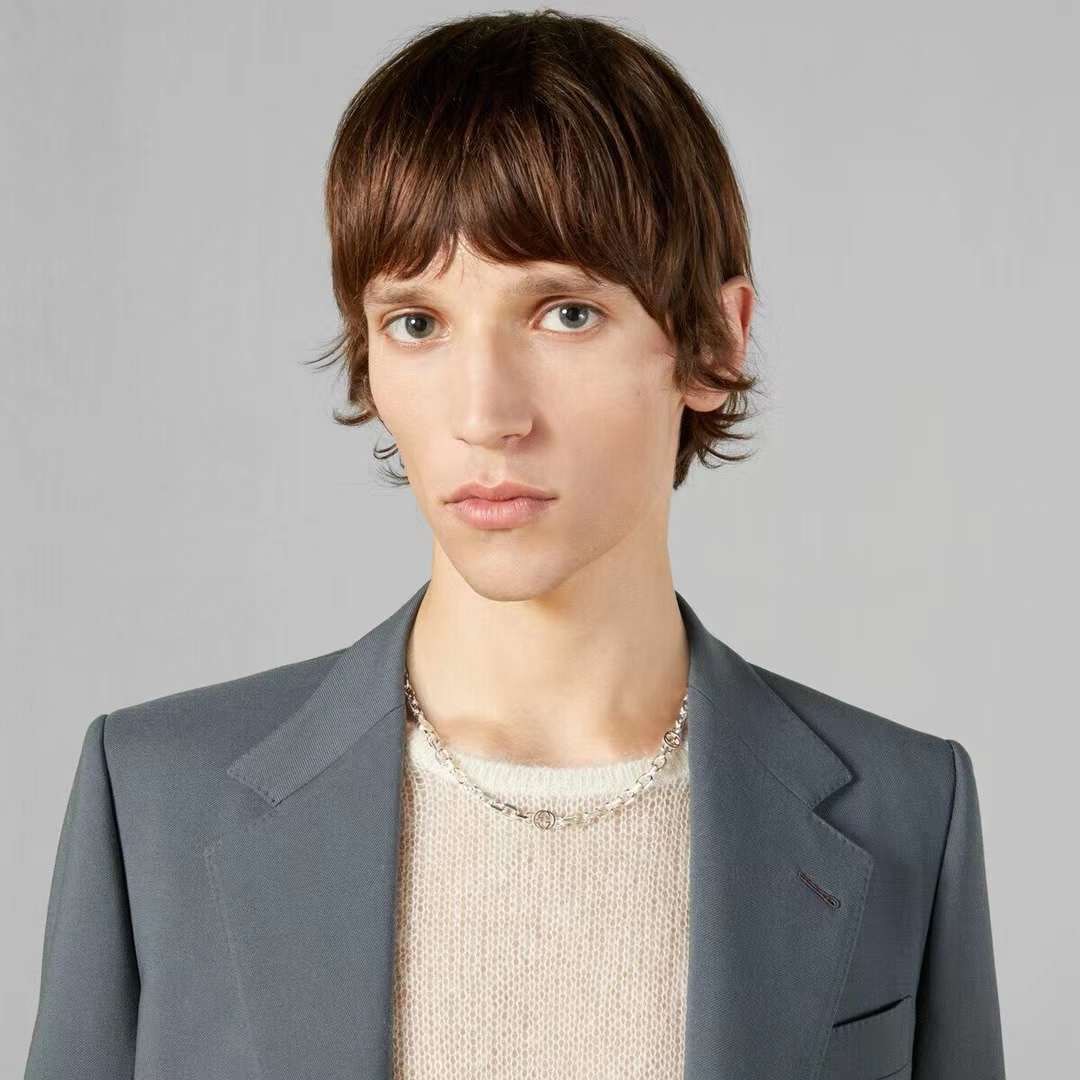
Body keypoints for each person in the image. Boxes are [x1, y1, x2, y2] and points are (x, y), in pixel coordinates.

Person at [24, 9, 1005, 1080]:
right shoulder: (155, 803)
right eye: (417, 323)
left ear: (714, 344)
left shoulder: (906, 812)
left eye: (565, 313)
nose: (486, 414)